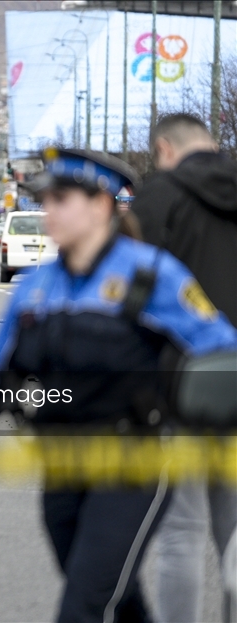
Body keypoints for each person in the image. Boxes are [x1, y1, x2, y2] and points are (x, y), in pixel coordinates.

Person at [0, 147, 237, 623]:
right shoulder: (37, 287)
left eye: (60, 199)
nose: (47, 211)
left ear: (100, 205)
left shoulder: (152, 277)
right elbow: (0, 377)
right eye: (45, 200)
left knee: (84, 606)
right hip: (64, 464)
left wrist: (199, 412)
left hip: (135, 465)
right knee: (113, 594)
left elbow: (220, 350)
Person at [131, 113, 237, 623]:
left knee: (182, 533)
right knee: (235, 534)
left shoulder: (160, 196)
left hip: (182, 386)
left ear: (165, 149)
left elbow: (130, 293)